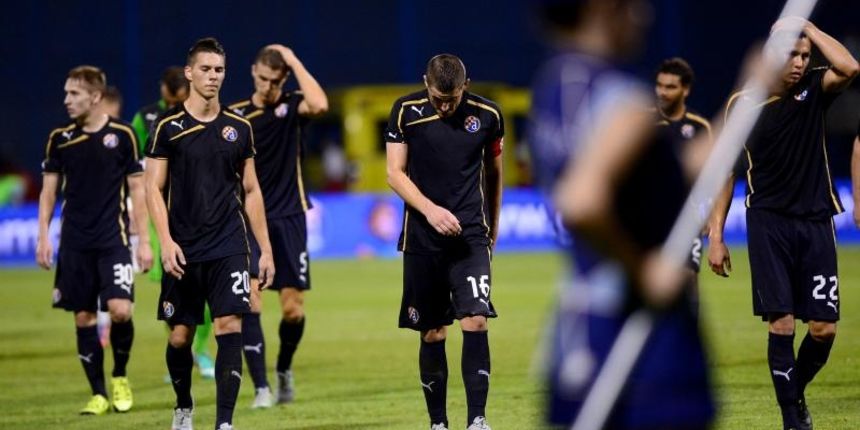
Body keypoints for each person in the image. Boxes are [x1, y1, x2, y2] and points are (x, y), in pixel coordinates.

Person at [528, 1, 716, 429]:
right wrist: (643, 268)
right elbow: (581, 201)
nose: (643, 15)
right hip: (642, 334)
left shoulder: (556, 84)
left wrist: (754, 95)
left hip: (579, 328)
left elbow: (673, 173)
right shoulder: (623, 98)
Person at [708, 18, 859, 430]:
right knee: (783, 324)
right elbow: (725, 173)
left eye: (805, 55)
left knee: (824, 330)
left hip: (816, 220)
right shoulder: (743, 105)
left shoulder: (814, 88)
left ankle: (794, 391)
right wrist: (716, 234)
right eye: (792, 54)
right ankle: (793, 419)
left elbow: (850, 68)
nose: (799, 63)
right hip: (768, 223)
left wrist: (807, 26)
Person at [144, 37, 275, 430]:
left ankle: (224, 423)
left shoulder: (239, 128)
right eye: (205, 69)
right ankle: (184, 406)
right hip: (184, 248)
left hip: (229, 244)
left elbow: (251, 190)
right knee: (180, 337)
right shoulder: (167, 128)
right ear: (189, 73)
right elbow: (152, 188)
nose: (213, 76)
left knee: (229, 326)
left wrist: (265, 250)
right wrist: (166, 242)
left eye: (219, 69)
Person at [385, 53, 503, 430]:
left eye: (452, 99)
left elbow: (494, 173)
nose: (446, 107)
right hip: (422, 237)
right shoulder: (405, 111)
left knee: (476, 320)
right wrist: (430, 210)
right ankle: (439, 423)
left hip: (470, 237)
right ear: (426, 84)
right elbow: (394, 173)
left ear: (465, 86)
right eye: (438, 99)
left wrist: (493, 228)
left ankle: (477, 420)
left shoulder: (488, 115)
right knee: (433, 331)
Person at [37, 65, 153, 415]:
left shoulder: (123, 135)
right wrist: (43, 237)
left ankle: (119, 376)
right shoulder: (60, 138)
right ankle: (98, 393)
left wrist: (145, 241)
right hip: (74, 243)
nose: (67, 100)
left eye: (74, 93)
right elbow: (48, 192)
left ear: (95, 96)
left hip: (113, 240)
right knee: (84, 317)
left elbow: (138, 189)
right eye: (66, 92)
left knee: (120, 310)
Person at [228, 43, 328, 408]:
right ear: (253, 72)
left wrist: (294, 60)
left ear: (283, 79)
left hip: (290, 217)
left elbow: (320, 104)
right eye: (262, 78)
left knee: (292, 309)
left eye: (275, 80)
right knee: (251, 300)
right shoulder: (236, 116)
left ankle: (284, 368)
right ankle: (261, 387)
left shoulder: (292, 107)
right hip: (248, 220)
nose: (268, 86)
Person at [133, 65, 216, 379]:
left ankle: (202, 350)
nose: (172, 106)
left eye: (177, 101)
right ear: (162, 91)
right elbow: (135, 172)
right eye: (168, 100)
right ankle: (182, 349)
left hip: (196, 214)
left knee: (204, 289)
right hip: (159, 215)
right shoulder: (145, 118)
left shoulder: (200, 115)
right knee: (171, 290)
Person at [653, 57, 713, 307]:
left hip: (685, 218)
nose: (663, 92)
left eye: (670, 87)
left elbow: (714, 174)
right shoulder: (642, 123)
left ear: (685, 89)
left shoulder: (699, 126)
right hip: (648, 220)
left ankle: (688, 326)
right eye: (660, 85)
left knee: (688, 279)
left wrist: (709, 214)